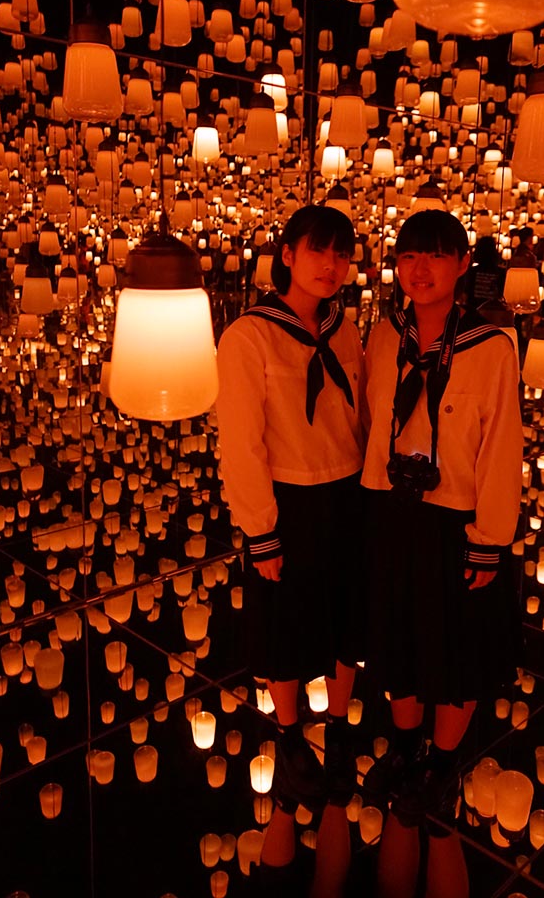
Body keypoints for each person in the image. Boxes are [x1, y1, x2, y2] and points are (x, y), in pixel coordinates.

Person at [361, 209, 523, 827]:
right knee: (397, 638)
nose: (418, 270)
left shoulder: (491, 346)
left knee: (456, 647)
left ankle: (443, 763)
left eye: (433, 257)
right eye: (407, 257)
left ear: (461, 265)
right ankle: (405, 752)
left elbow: (502, 445)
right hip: (391, 509)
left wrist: (489, 541)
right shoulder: (384, 335)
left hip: (457, 517)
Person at [215, 204, 365, 810]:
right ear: (287, 256)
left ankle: (339, 728)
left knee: (345, 618)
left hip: (348, 491)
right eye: (317, 252)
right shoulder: (249, 335)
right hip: (287, 498)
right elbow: (241, 442)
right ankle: (288, 730)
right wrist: (261, 529)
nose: (330, 266)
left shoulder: (348, 330)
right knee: (283, 621)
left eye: (342, 254)